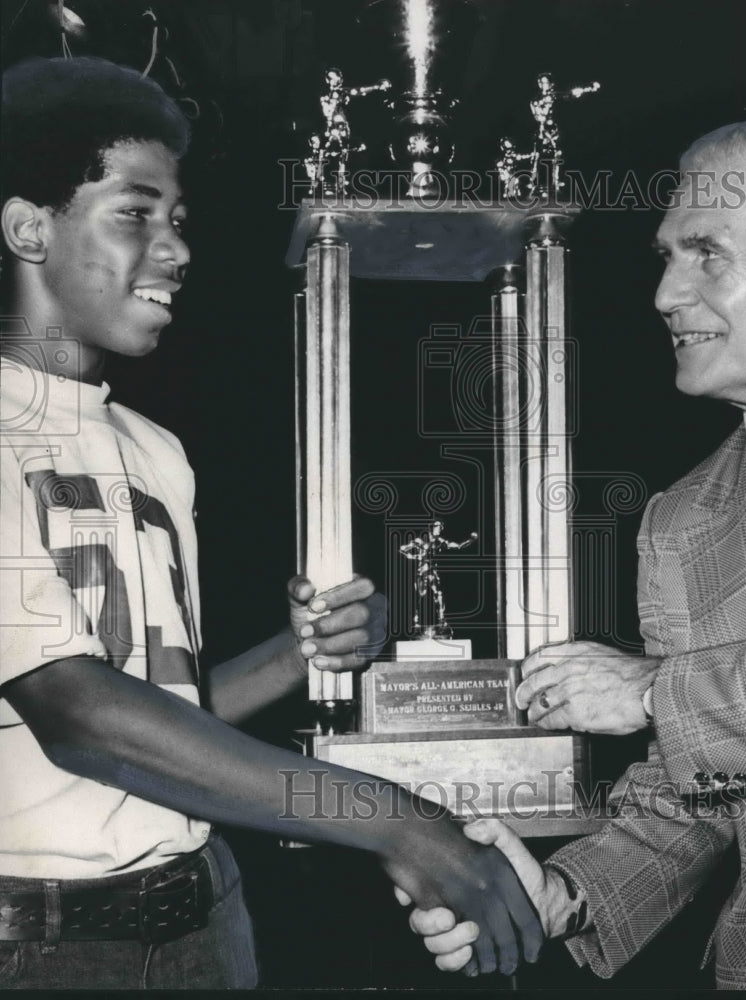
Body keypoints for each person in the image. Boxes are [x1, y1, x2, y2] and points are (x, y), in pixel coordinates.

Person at [0, 56, 541, 989]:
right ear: (27, 228)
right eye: (134, 213)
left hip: (209, 923)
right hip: (45, 946)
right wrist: (397, 822)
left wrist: (302, 654)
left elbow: (168, 712)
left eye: (178, 220)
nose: (175, 250)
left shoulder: (155, 448)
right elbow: (79, 714)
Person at [401, 119, 746, 990]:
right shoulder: (681, 517)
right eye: (666, 258)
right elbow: (697, 776)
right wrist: (566, 894)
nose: (667, 294)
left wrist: (649, 689)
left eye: (707, 255)